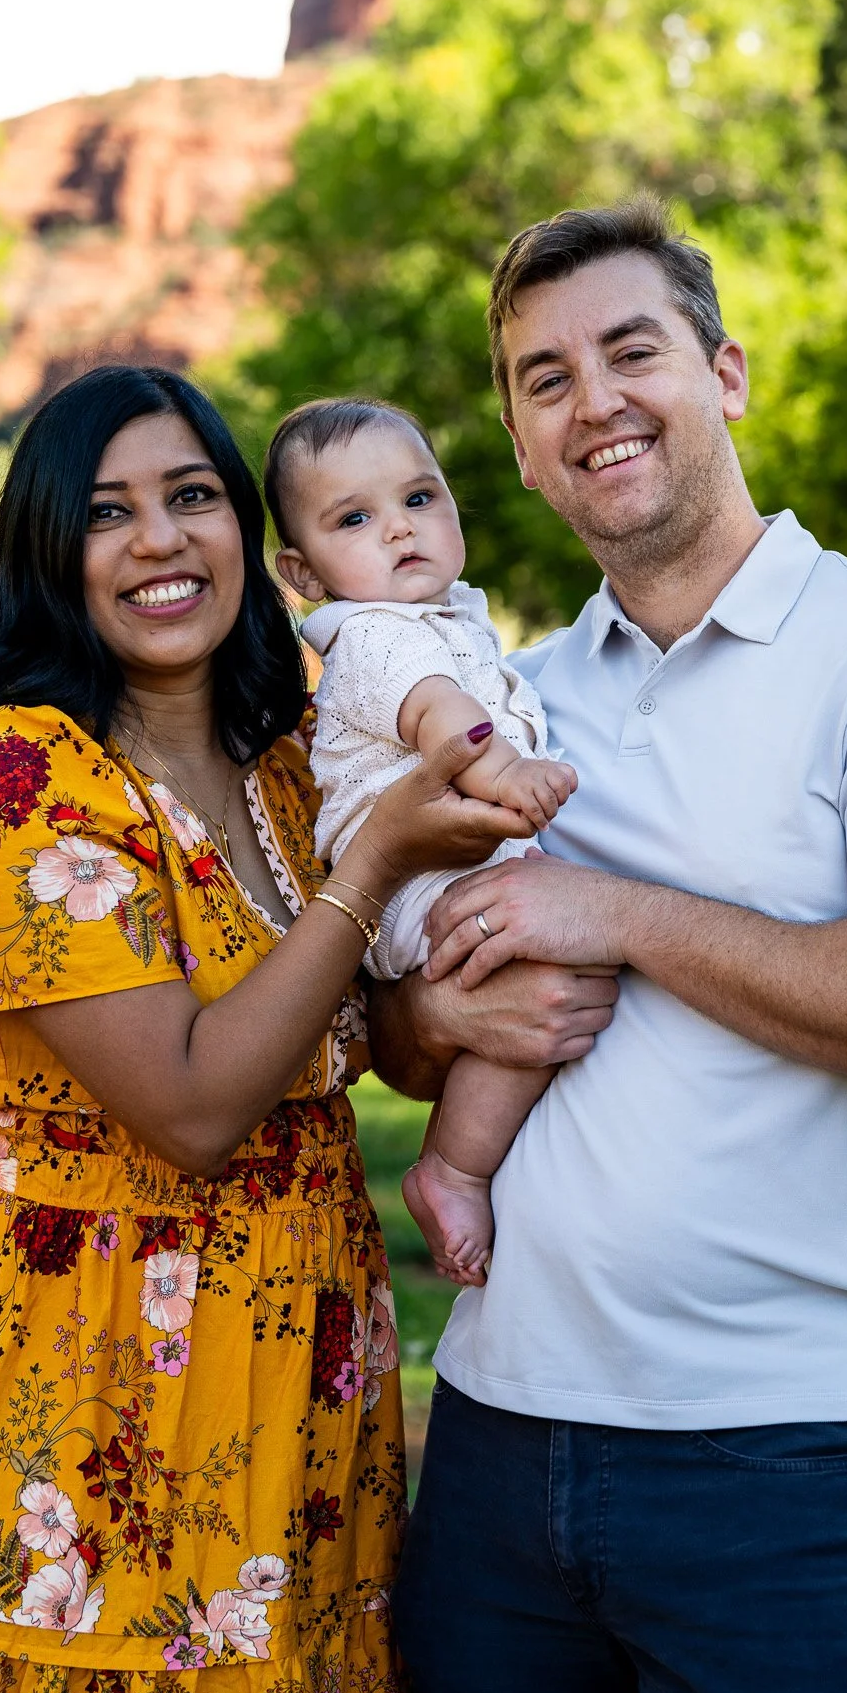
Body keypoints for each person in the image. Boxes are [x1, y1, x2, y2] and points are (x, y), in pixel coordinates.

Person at [373, 198, 847, 1693]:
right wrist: (434, 1010)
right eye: (543, 381)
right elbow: (406, 1035)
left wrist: (615, 915)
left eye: (630, 351)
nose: (591, 401)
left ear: (723, 372)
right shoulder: (508, 704)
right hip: (493, 1439)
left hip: (782, 1459)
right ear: (519, 446)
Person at [0, 366, 533, 1693]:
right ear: (48, 551)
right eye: (107, 512)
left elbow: (330, 1037)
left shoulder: (285, 767)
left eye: (190, 496)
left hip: (298, 1354)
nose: (159, 538)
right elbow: (197, 1106)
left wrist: (451, 1017)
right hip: (88, 1370)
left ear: (248, 537)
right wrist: (380, 861)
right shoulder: (20, 782)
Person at [264, 396, 577, 1286]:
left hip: (452, 866)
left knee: (549, 971)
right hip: (411, 880)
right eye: (355, 519)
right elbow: (446, 721)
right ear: (304, 570)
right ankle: (452, 1169)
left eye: (419, 499)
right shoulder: (371, 639)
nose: (400, 530)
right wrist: (509, 773)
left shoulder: (444, 622)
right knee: (548, 961)